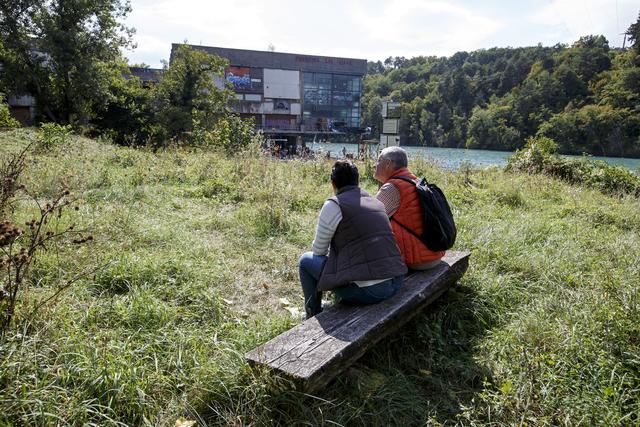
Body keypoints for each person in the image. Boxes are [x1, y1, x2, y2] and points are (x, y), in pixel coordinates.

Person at [299, 160, 407, 319]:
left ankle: (313, 312)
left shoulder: (333, 205)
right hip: (396, 282)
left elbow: (319, 251)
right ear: (357, 181)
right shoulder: (376, 202)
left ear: (333, 183)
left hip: (370, 291)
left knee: (305, 261)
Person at [374, 146, 445, 270]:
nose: (375, 164)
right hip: (434, 255)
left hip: (416, 261)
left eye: (378, 160)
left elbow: (368, 220)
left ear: (388, 164)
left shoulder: (392, 188)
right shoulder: (415, 181)